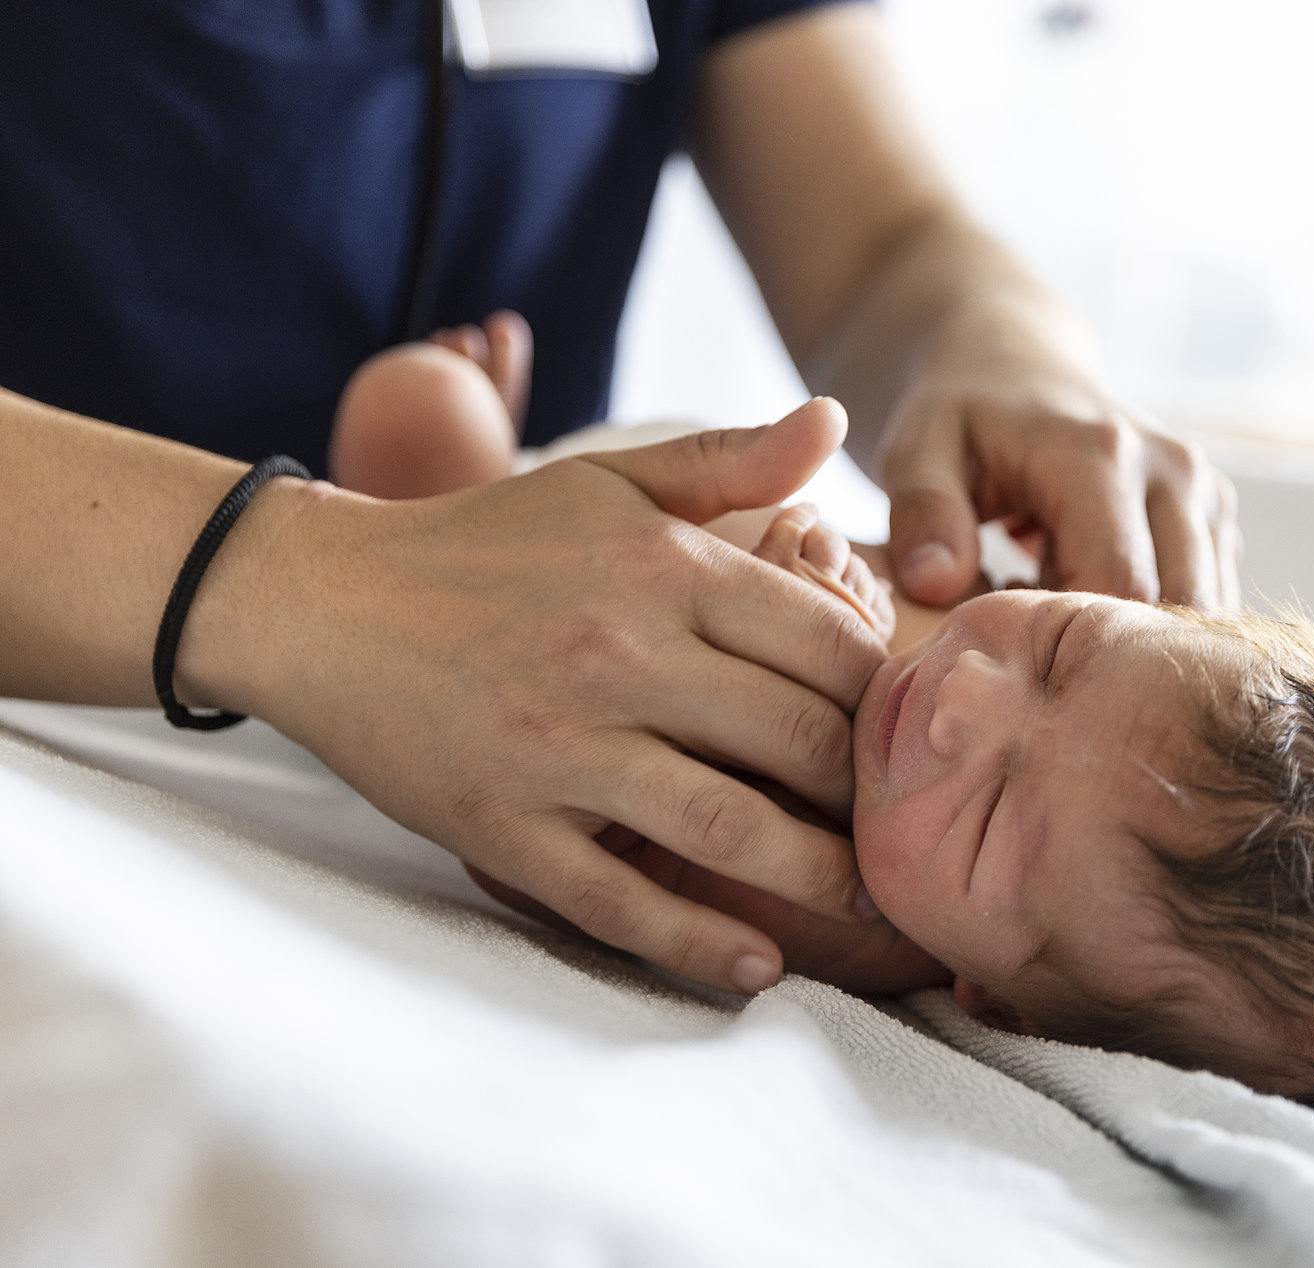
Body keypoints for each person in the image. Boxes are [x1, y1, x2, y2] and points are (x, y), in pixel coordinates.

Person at [0, 2, 1238, 997]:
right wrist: (303, 581)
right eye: (1058, 649)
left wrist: (999, 344)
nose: (970, 689)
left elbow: (885, 246)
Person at [332, 331, 1314, 1110]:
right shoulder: (989, 622)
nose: (967, 700)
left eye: (996, 811)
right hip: (632, 475)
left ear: (996, 999)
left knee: (408, 414)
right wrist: (814, 546)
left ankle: (457, 464)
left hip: (496, 582)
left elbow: (536, 818)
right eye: (1063, 650)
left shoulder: (829, 899)